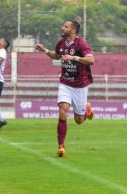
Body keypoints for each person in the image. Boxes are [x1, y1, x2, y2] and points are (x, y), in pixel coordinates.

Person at [35, 20, 94, 157]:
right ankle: (61, 147)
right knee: (63, 111)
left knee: (79, 120)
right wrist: (44, 50)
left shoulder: (81, 43)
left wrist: (74, 58)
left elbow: (91, 60)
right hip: (65, 83)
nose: (62, 28)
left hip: (80, 85)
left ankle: (86, 109)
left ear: (73, 30)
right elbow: (57, 56)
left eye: (66, 26)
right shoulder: (61, 43)